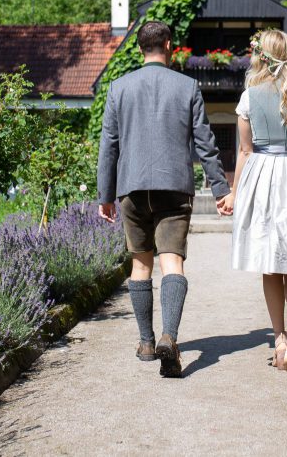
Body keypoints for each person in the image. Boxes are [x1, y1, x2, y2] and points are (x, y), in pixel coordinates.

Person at [97, 20, 232, 379]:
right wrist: (221, 190)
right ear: (169, 45)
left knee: (140, 265)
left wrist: (104, 195)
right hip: (174, 186)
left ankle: (145, 342)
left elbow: (108, 144)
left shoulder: (119, 88)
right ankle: (170, 338)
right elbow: (205, 143)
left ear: (139, 48)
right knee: (172, 263)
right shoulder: (188, 87)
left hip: (132, 187)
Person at [221, 29, 287, 373]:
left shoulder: (249, 97)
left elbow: (245, 150)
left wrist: (235, 192)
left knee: (271, 262)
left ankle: (280, 338)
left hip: (263, 176)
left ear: (260, 57)